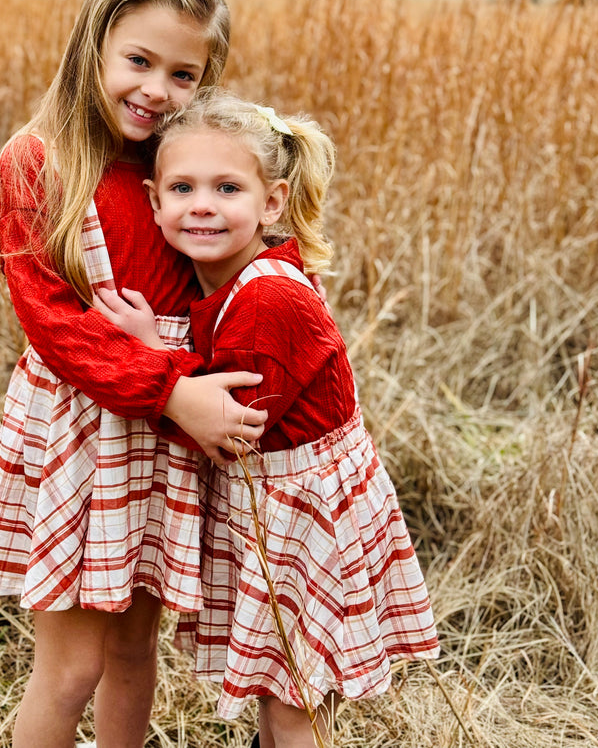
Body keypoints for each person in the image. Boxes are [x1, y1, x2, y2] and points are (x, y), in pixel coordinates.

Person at [0, 0, 268, 748]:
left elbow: (238, 280)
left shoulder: (182, 169)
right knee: (71, 671)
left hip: (167, 433)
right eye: (139, 60)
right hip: (80, 429)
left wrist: (198, 382)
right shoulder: (38, 160)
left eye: (184, 73)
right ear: (96, 44)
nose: (157, 88)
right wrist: (172, 387)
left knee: (136, 651)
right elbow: (55, 327)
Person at [95, 89, 440, 748]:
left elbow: (229, 427)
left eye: (227, 187)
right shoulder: (239, 277)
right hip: (289, 506)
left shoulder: (267, 299)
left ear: (273, 202)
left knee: (292, 702)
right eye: (183, 186)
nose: (202, 204)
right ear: (154, 202)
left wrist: (150, 355)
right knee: (287, 687)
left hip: (299, 516)